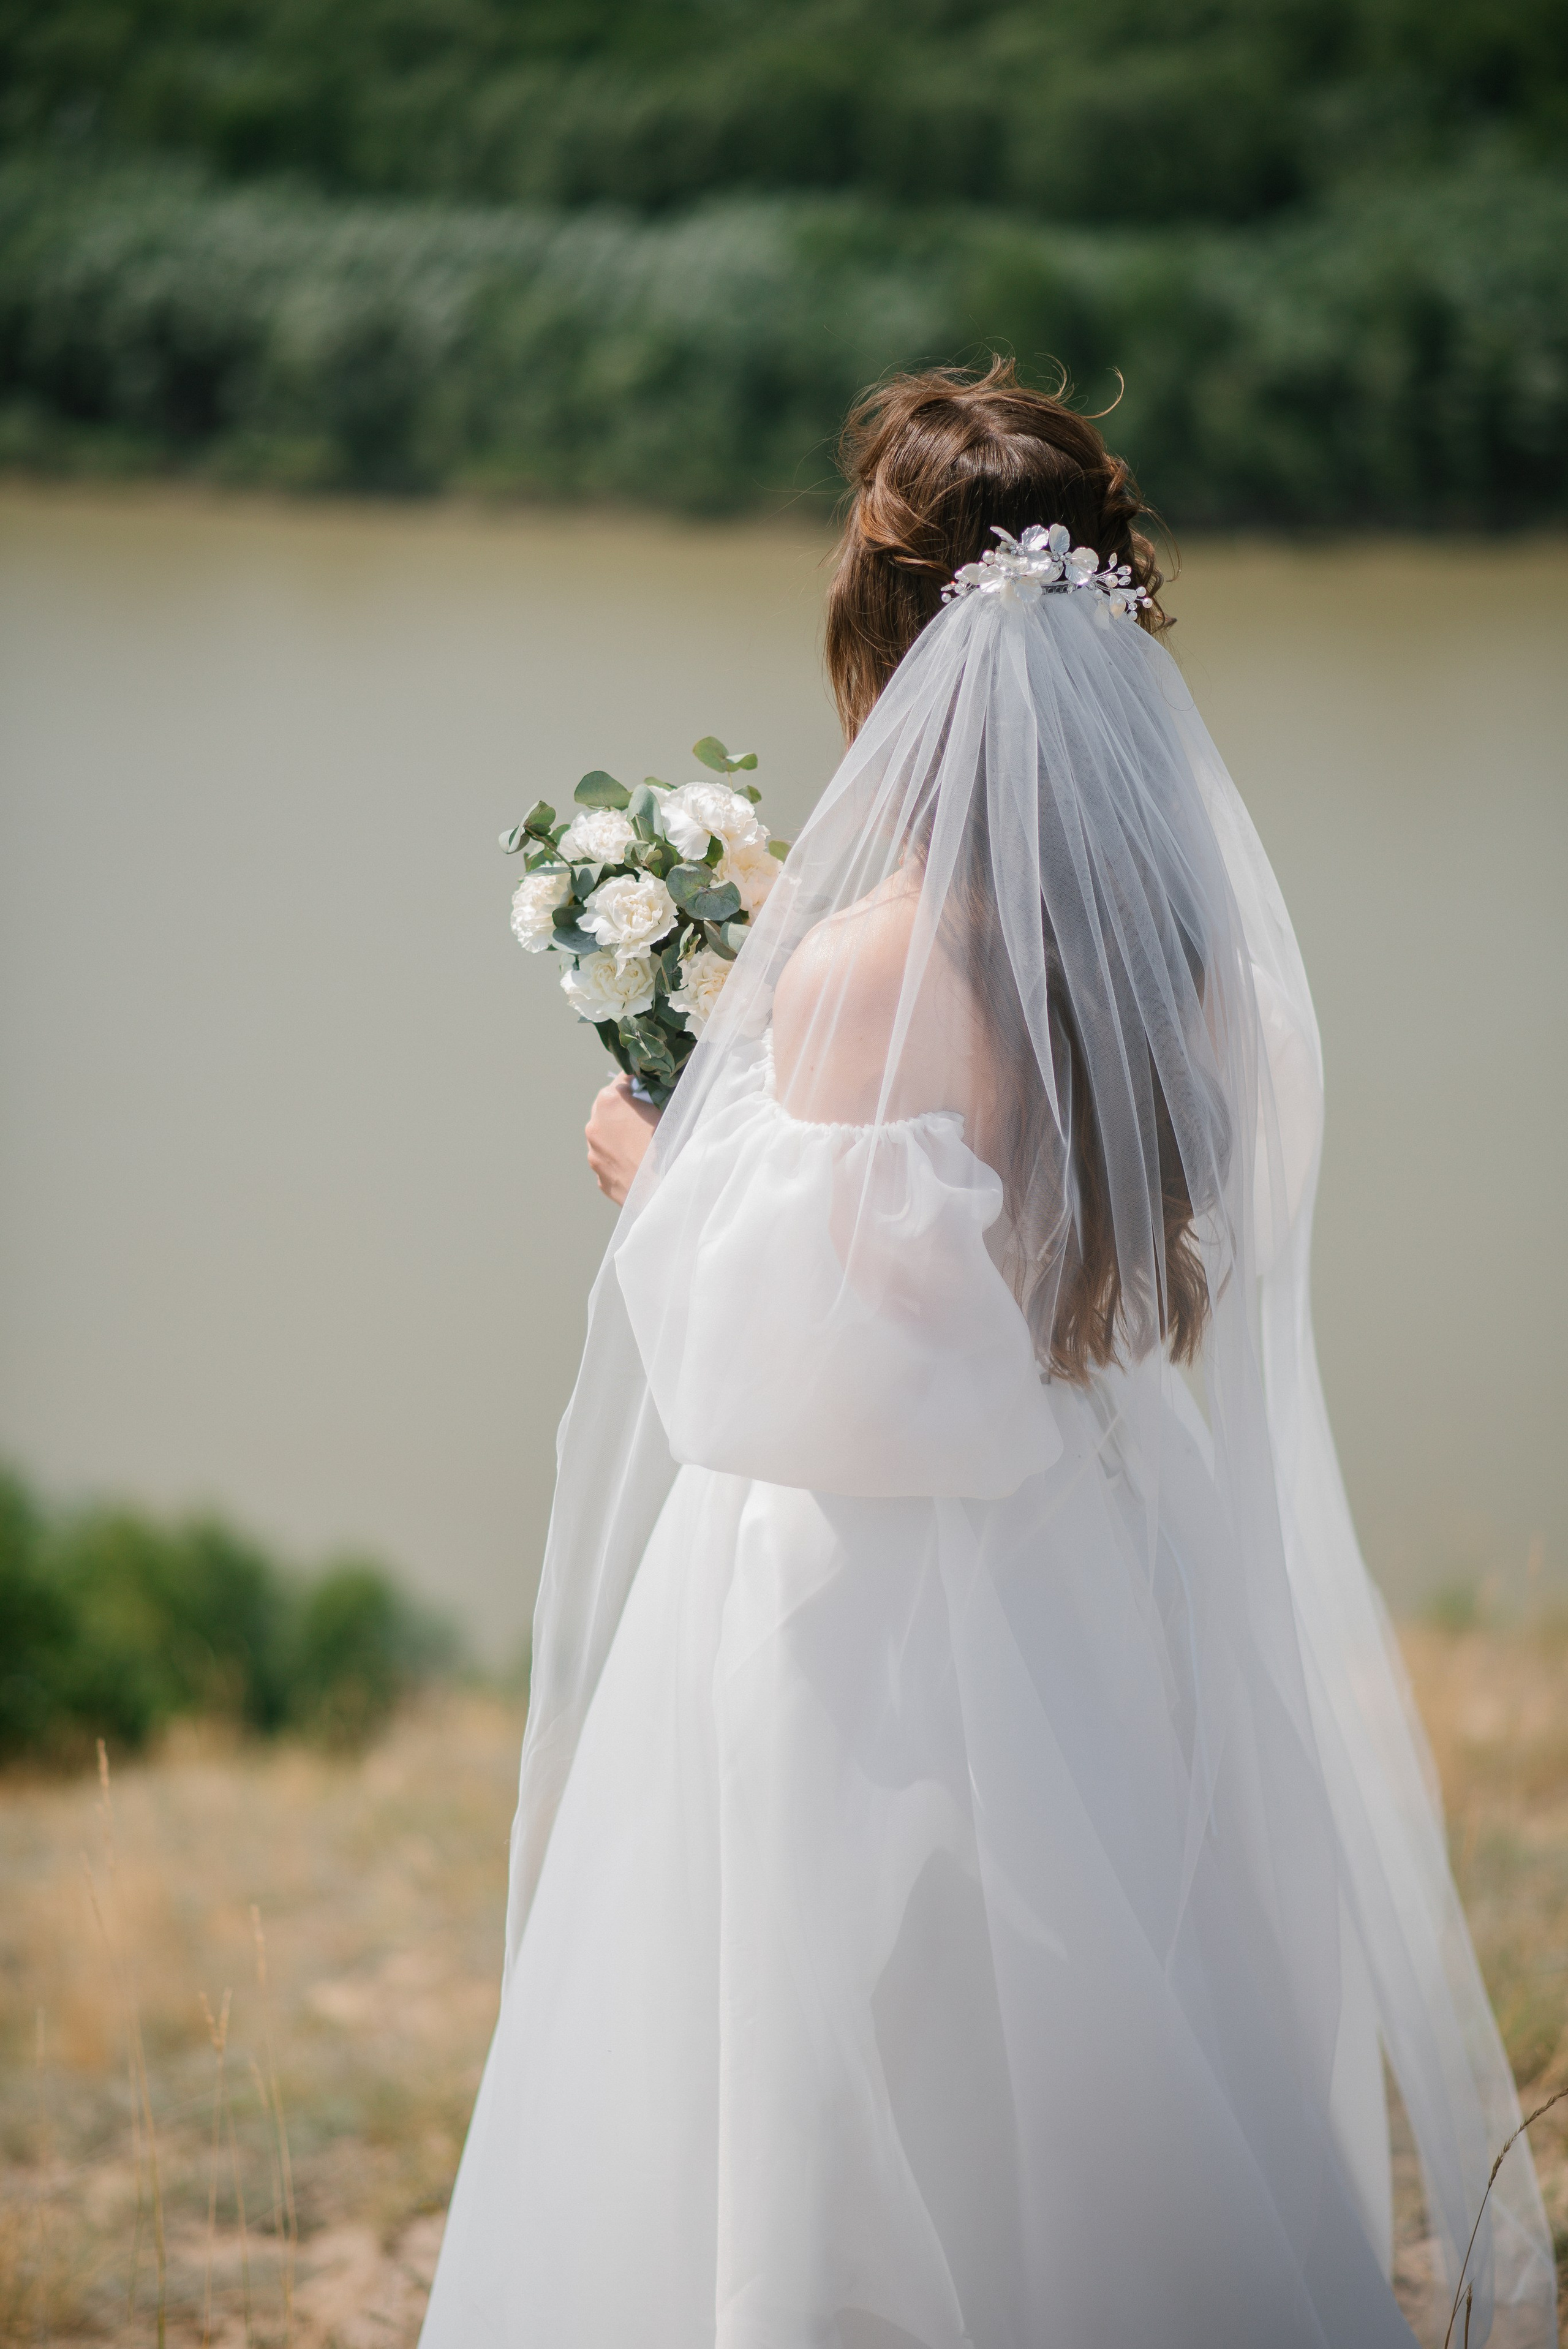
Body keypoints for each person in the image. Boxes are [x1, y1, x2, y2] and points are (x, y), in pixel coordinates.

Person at [421, 361, 1555, 2348]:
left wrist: (656, 1172)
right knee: (1099, 2038)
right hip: (1106, 1555)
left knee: (849, 2069)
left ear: (894, 647)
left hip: (868, 1613)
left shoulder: (872, 969)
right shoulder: (1193, 965)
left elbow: (842, 1380)